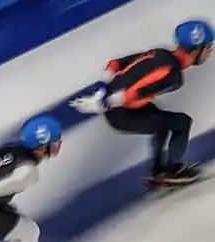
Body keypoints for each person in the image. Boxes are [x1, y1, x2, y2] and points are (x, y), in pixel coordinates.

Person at [71, 19, 211, 187]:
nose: (210, 51)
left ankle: (159, 171)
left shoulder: (159, 53)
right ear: (196, 50)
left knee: (163, 122)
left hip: (121, 106)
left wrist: (102, 89)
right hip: (122, 113)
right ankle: (173, 170)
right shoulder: (173, 76)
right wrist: (105, 103)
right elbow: (134, 94)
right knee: (182, 122)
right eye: (208, 47)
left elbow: (114, 64)